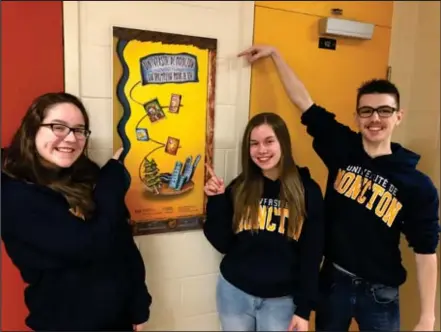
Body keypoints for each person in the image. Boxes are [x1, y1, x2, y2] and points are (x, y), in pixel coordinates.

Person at [238, 45, 440, 331]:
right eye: (366, 111)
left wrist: (427, 317)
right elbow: (303, 101)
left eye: (384, 111)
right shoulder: (342, 147)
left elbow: (426, 252)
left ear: (399, 115)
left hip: (381, 293)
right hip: (334, 283)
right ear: (357, 116)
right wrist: (275, 55)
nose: (375, 119)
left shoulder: (417, 184)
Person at [1, 92, 152, 331]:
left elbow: (122, 245)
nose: (71, 138)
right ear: (32, 131)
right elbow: (90, 245)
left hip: (119, 320)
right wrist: (112, 183)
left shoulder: (86, 178)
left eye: (80, 130)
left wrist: (138, 305)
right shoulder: (15, 195)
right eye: (58, 127)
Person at [203, 112, 325, 331]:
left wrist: (304, 310)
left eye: (269, 141)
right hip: (234, 293)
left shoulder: (307, 191)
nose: (262, 150)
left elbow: (312, 255)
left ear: (283, 144)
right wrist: (216, 201)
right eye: (254, 144)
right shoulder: (239, 187)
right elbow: (222, 243)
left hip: (282, 302)